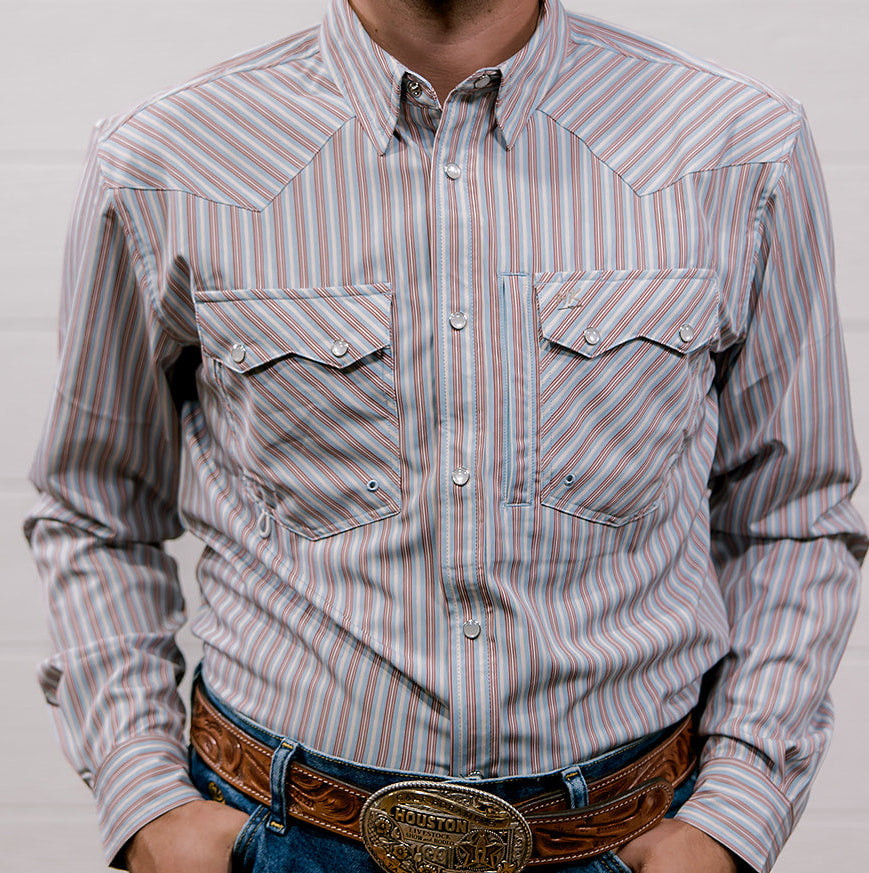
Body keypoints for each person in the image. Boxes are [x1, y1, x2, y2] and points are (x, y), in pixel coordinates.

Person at [25, 0, 866, 871]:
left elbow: (792, 514)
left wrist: (735, 809)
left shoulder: (737, 146)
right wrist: (147, 799)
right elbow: (96, 507)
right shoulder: (165, 159)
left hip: (631, 834)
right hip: (275, 836)